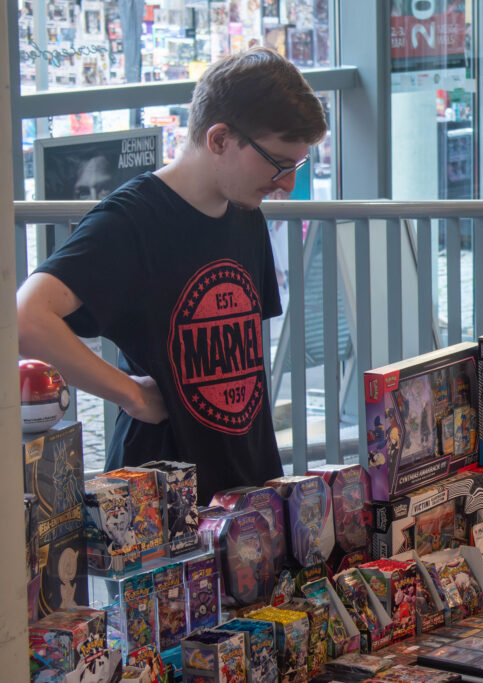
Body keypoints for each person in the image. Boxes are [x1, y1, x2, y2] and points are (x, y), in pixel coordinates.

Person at [17, 47, 327, 503]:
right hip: (159, 494)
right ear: (219, 139)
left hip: (245, 481)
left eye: (296, 166)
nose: (287, 183)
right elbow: (26, 318)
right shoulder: (130, 221)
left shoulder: (245, 211)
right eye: (278, 164)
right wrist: (129, 393)